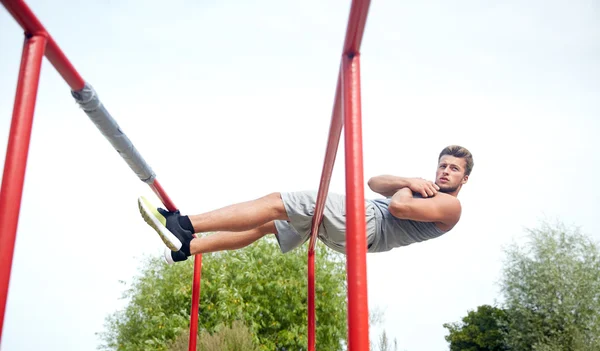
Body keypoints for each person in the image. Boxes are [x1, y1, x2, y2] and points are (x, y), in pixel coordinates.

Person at [138, 145, 473, 264]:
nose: (445, 171)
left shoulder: (450, 207)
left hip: (365, 221)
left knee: (275, 203)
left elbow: (398, 207)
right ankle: (189, 249)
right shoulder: (422, 189)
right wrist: (409, 180)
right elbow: (374, 183)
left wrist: (408, 188)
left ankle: (185, 225)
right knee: (269, 225)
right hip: (357, 235)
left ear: (464, 179)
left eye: (453, 168)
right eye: (442, 165)